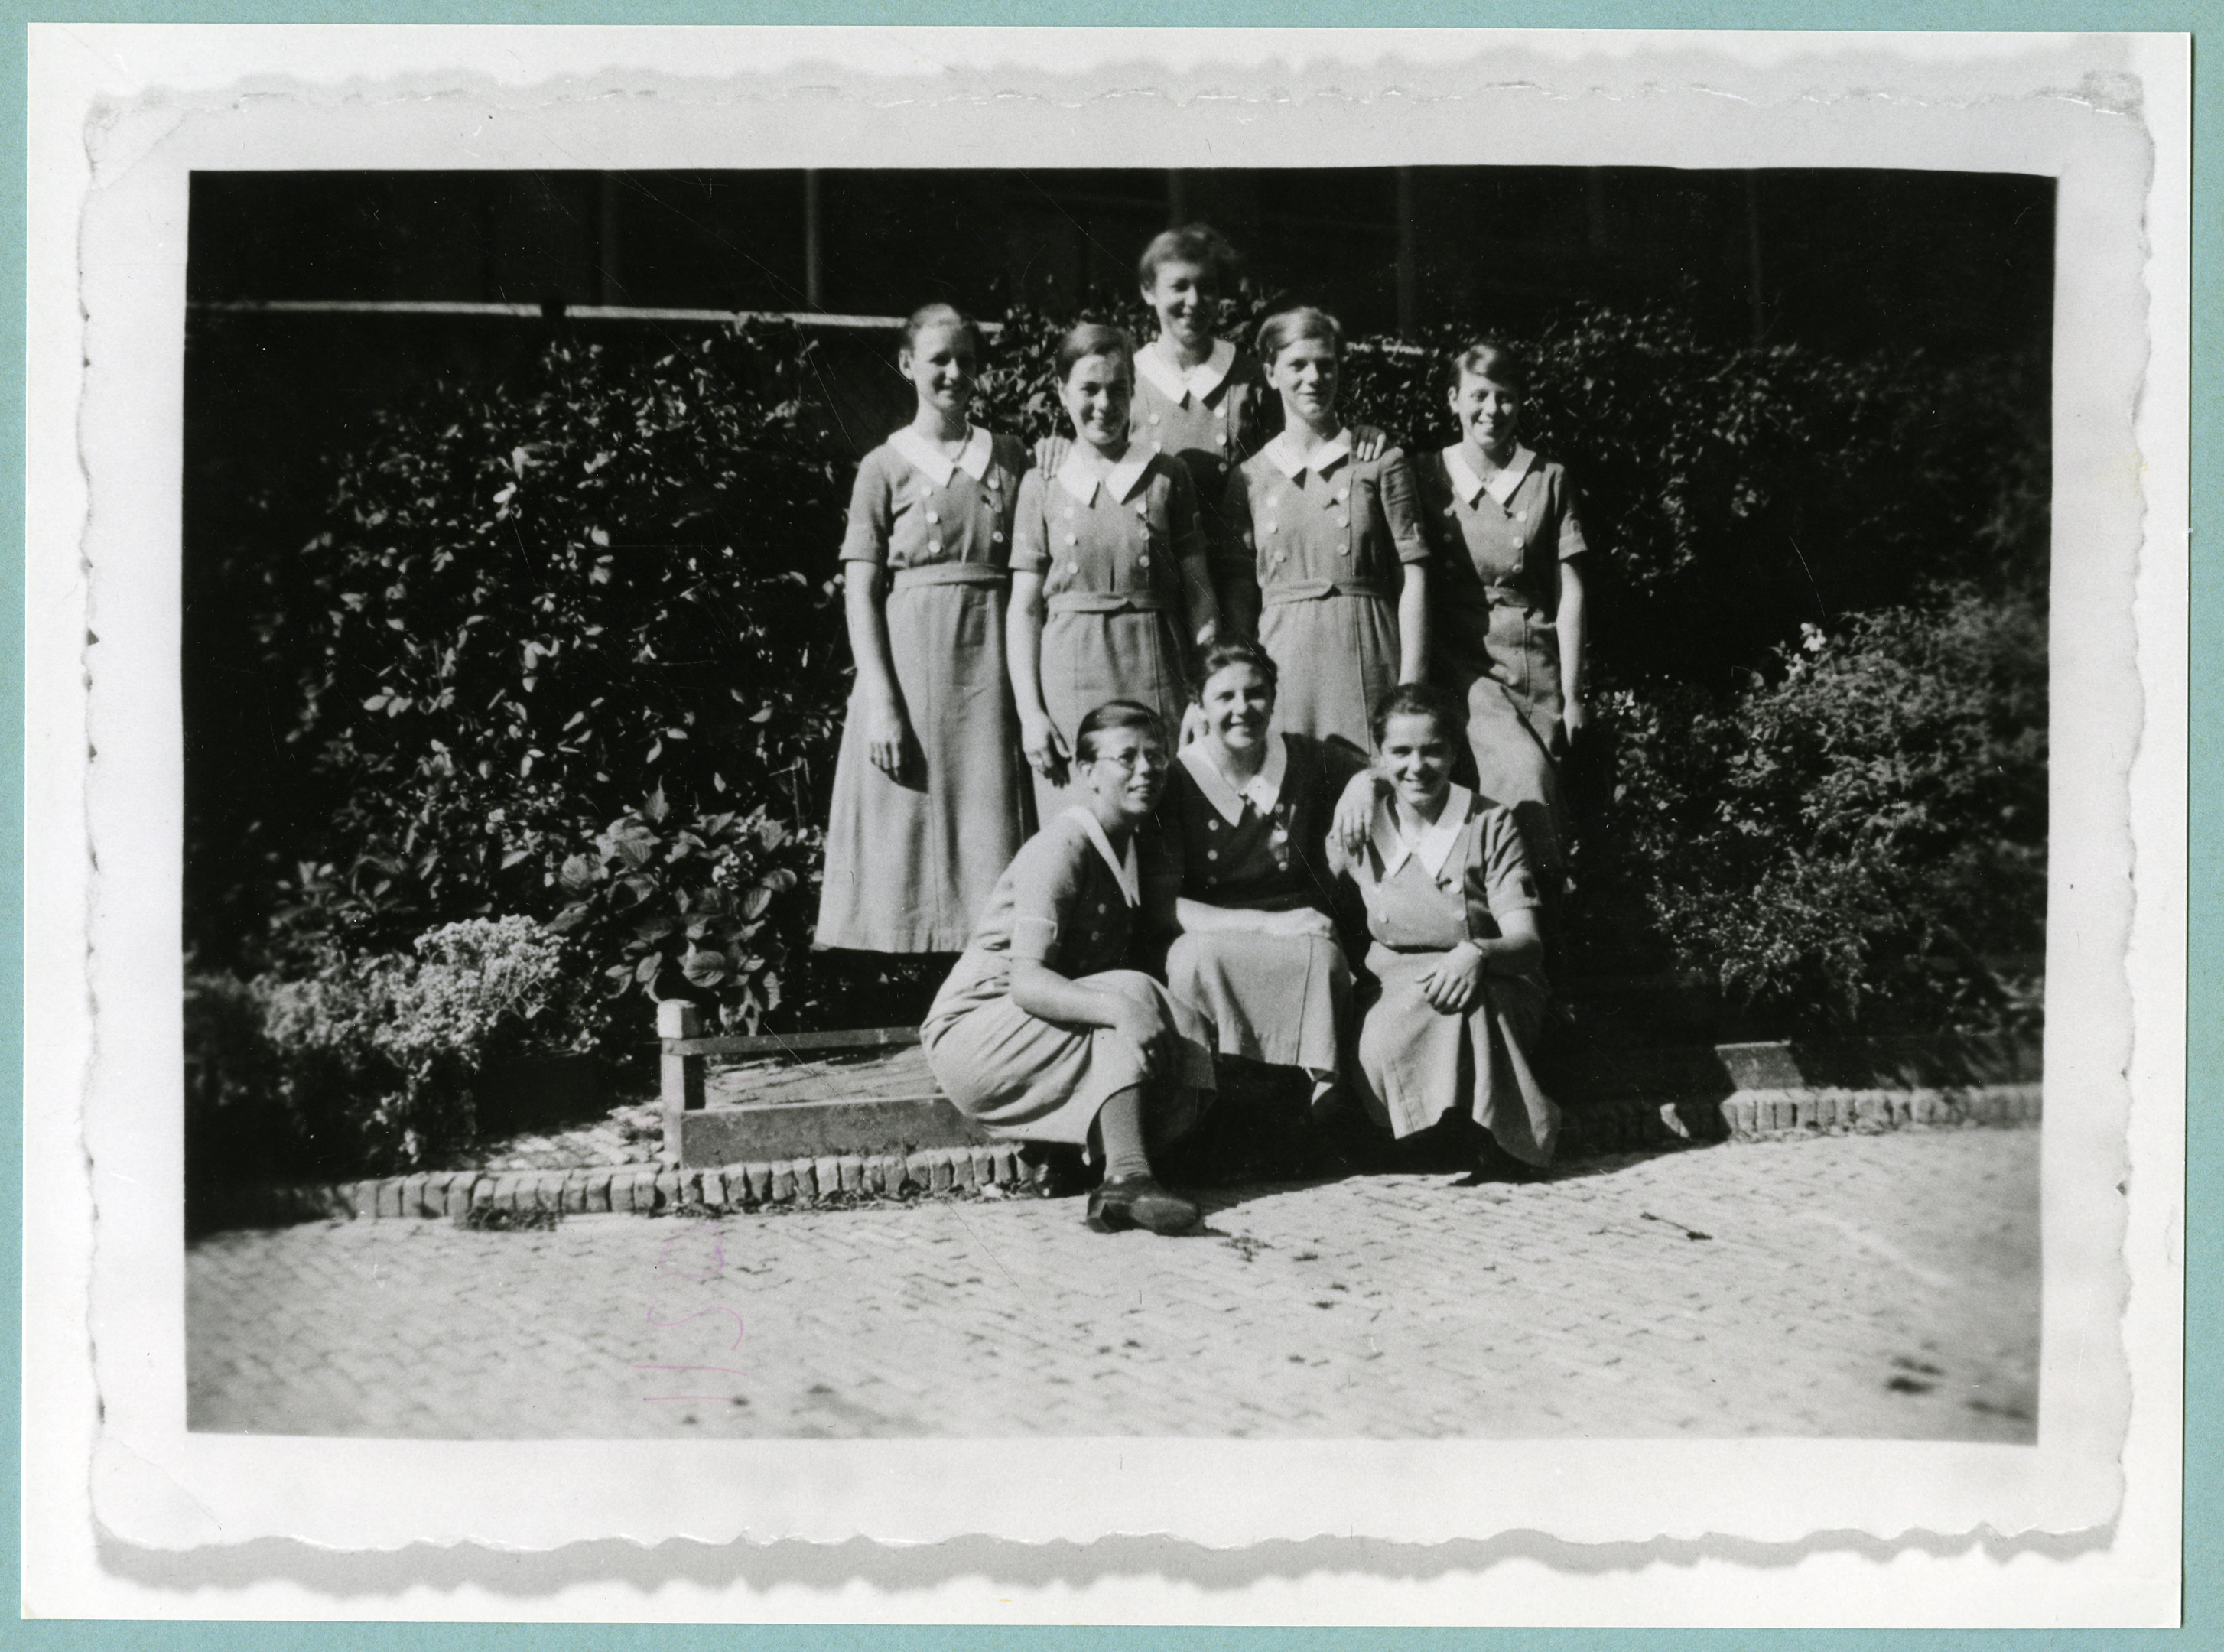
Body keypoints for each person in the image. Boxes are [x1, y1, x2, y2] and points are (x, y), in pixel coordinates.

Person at [922, 702, 1216, 1234]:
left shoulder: (1130, 844)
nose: (1145, 769)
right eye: (1125, 758)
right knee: (1127, 995)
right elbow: (1028, 981)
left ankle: (1091, 1158)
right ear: (1086, 772)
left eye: (1156, 755)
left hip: (1033, 1030)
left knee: (1177, 1017)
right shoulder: (1063, 845)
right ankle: (1126, 1178)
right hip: (977, 1030)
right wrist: (1120, 1008)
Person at [815, 303, 1033, 954]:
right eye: (939, 359)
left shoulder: (1013, 457)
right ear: (908, 365)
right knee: (914, 836)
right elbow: (860, 592)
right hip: (911, 675)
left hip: (993, 669)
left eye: (966, 359)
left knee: (993, 833)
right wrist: (881, 703)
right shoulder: (884, 467)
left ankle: (992, 991)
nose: (955, 372)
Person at [1328, 684, 1561, 1182]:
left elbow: (1527, 943)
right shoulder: (1361, 821)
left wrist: (1476, 952)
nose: (1418, 766)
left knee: (1471, 1004)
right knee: (1382, 1043)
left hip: (1491, 973)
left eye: (1433, 749)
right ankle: (1426, 1141)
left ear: (1455, 751)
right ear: (1380, 756)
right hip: (1392, 981)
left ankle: (1509, 1143)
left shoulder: (1488, 822)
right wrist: (1359, 784)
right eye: (1401, 752)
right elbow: (1309, 881)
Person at [1143, 639, 1371, 1111]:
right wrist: (1266, 924)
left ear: (1273, 694)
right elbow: (1166, 905)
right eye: (1224, 697)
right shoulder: (1177, 780)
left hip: (1300, 927)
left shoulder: (1305, 758)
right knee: (1193, 961)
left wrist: (1364, 784)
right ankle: (1208, 1105)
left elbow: (1385, 766)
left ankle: (1315, 1112)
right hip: (1214, 931)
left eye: (1256, 693)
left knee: (1324, 958)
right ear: (1198, 705)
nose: (1242, 709)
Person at [1008, 324, 1222, 821]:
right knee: (1080, 830)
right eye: (1088, 389)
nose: (1104, 404)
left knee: (1163, 829)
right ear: (1062, 392)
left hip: (1157, 676)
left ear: (1133, 393)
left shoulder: (1169, 475)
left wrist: (1203, 694)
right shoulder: (1043, 483)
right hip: (1068, 685)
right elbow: (1022, 609)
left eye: (1118, 389)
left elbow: (1201, 596)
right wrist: (1031, 713)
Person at [1413, 338, 1591, 882]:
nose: (1492, 410)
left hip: (1529, 665)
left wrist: (1574, 693)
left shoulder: (1547, 479)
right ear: (1453, 399)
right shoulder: (1423, 474)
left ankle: (1533, 945)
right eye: (1480, 395)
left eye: (1506, 397)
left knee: (1535, 790)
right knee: (1501, 788)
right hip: (1453, 663)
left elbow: (1571, 593)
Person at [1221, 306, 1430, 752]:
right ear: (1271, 373)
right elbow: (1239, 590)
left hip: (1369, 654)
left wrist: (1412, 678)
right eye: (1298, 365)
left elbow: (1413, 573)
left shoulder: (1380, 460)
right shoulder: (1249, 477)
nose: (1314, 377)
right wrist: (1242, 674)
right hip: (1282, 662)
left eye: (1326, 364)